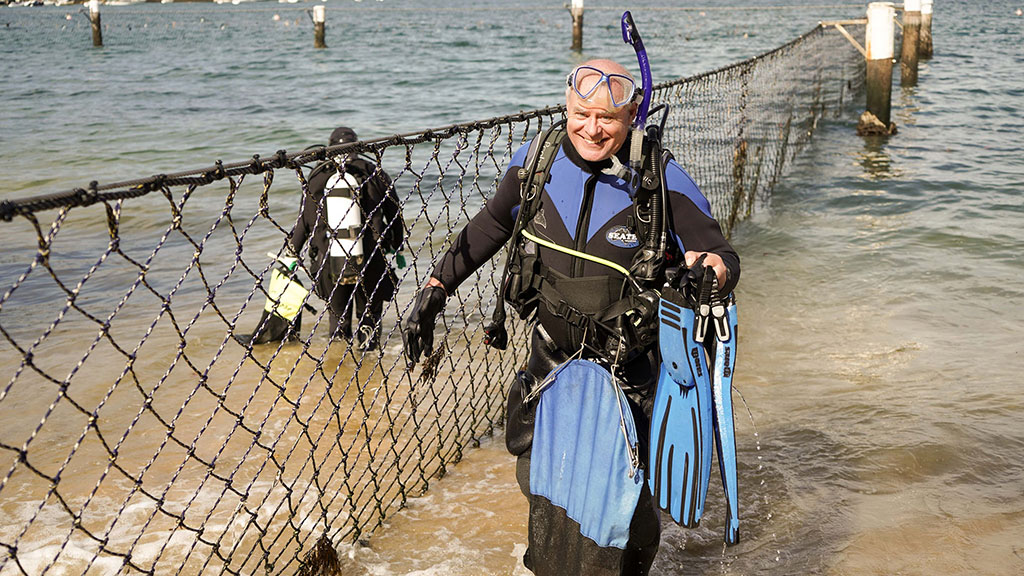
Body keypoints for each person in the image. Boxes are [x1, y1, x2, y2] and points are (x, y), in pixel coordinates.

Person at [402, 60, 739, 576]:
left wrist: (708, 272)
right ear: (567, 107)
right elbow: (491, 224)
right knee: (541, 484)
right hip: (550, 364)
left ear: (632, 115)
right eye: (583, 113)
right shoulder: (536, 163)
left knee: (626, 516)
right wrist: (435, 286)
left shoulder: (660, 179)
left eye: (608, 117)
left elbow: (721, 254)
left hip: (630, 373)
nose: (593, 128)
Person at [290, 126, 405, 351]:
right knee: (369, 321)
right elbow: (394, 213)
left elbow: (304, 221)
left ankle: (340, 369)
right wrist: (397, 247)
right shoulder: (374, 171)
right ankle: (369, 364)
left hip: (330, 260)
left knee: (338, 322)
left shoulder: (318, 175)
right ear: (357, 145)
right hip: (371, 259)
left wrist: (292, 253)